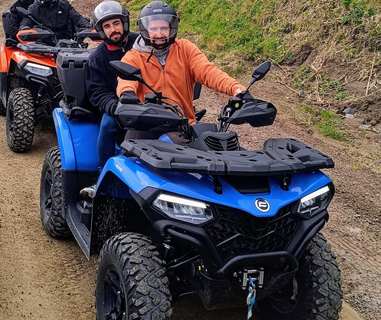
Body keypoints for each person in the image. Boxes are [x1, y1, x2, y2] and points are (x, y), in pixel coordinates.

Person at [116, 1, 249, 127]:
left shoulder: (185, 49)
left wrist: (237, 89)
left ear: (172, 28)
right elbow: (126, 80)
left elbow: (208, 71)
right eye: (153, 28)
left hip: (184, 124)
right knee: (128, 149)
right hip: (147, 125)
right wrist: (127, 93)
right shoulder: (133, 57)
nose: (159, 33)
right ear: (145, 29)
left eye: (163, 28)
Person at [79, 0, 137, 199]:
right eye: (107, 26)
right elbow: (97, 93)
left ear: (125, 23)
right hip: (115, 107)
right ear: (101, 30)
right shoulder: (97, 59)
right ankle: (102, 175)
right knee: (108, 124)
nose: (113, 30)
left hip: (145, 103)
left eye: (116, 23)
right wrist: (115, 107)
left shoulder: (142, 45)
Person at [19, 0, 91, 41]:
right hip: (42, 46)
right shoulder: (34, 8)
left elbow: (77, 18)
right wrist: (25, 29)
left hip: (64, 43)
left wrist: (89, 27)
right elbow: (25, 23)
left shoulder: (64, 5)